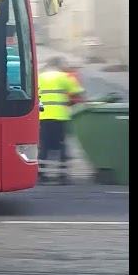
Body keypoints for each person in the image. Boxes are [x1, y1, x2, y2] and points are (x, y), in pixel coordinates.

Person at [37, 56, 84, 184]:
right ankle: (62, 175)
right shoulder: (64, 77)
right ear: (59, 65)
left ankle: (41, 174)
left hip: (43, 116)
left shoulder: (40, 77)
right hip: (60, 116)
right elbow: (77, 93)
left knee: (44, 145)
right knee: (61, 144)